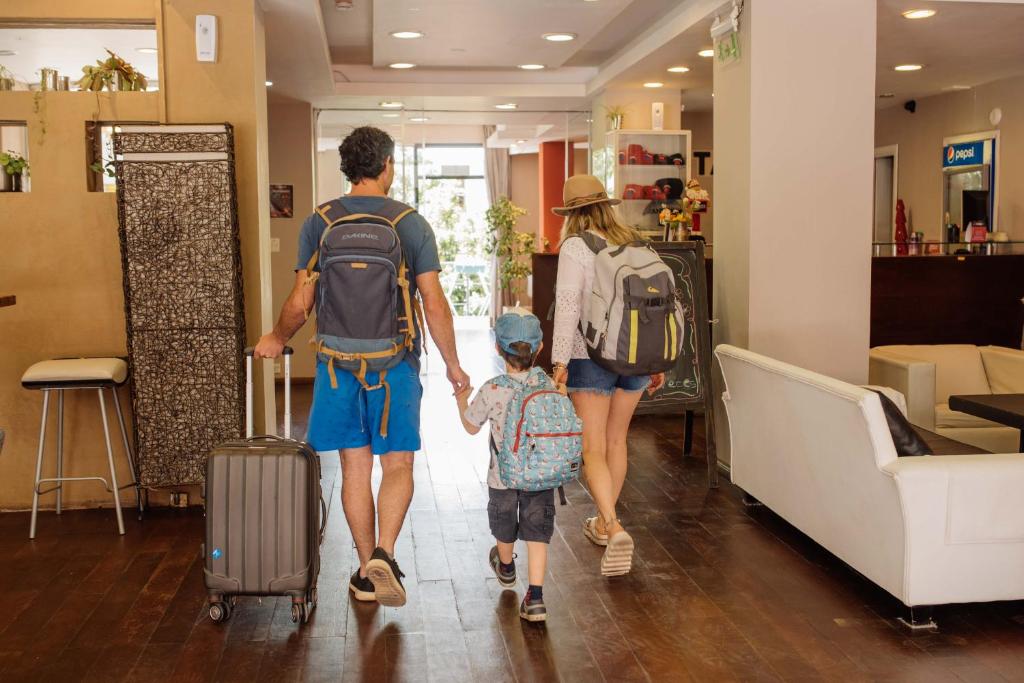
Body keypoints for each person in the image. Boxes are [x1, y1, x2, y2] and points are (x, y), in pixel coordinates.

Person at [254, 126, 470, 607]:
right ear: (387, 165)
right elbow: (433, 302)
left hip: (336, 366)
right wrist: (455, 365)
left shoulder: (321, 221)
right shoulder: (411, 223)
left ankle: (365, 570)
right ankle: (386, 556)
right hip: (395, 366)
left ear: (347, 168)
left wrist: (276, 337)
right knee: (398, 464)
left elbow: (301, 299)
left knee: (355, 468)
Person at [549, 174, 664, 577]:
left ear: (572, 213)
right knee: (618, 441)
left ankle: (613, 526)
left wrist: (559, 363)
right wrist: (656, 362)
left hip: (590, 355)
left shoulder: (576, 247)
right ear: (605, 205)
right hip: (637, 357)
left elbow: (566, 310)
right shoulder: (634, 240)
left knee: (592, 447)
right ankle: (602, 524)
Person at [455, 312, 555, 623]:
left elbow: (472, 426)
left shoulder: (492, 388)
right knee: (538, 534)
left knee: (503, 524)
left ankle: (507, 567)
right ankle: (535, 597)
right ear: (538, 350)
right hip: (541, 476)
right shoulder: (547, 384)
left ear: (499, 349)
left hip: (502, 476)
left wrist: (461, 399)